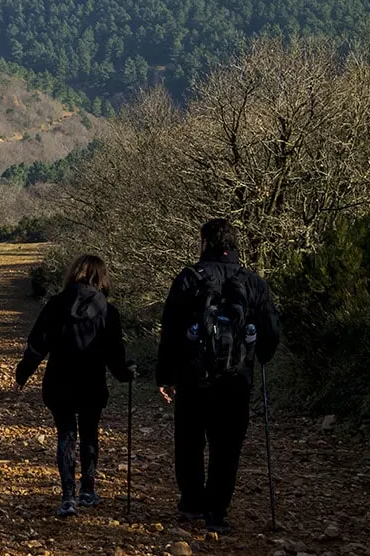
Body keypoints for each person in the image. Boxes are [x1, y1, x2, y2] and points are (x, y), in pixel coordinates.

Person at [157, 218, 280, 535]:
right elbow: (271, 333)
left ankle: (191, 502)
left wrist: (165, 375)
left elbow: (169, 330)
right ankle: (217, 511)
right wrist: (260, 356)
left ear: (203, 243)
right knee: (227, 447)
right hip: (236, 380)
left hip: (193, 377)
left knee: (189, 441)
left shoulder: (188, 278)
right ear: (235, 245)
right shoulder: (253, 282)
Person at [15, 254, 135, 517]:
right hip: (92, 383)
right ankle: (88, 491)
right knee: (90, 433)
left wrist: (22, 373)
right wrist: (126, 374)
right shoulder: (107, 311)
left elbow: (37, 344)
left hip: (59, 382)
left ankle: (67, 496)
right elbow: (115, 354)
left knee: (66, 435)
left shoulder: (56, 305)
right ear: (102, 277)